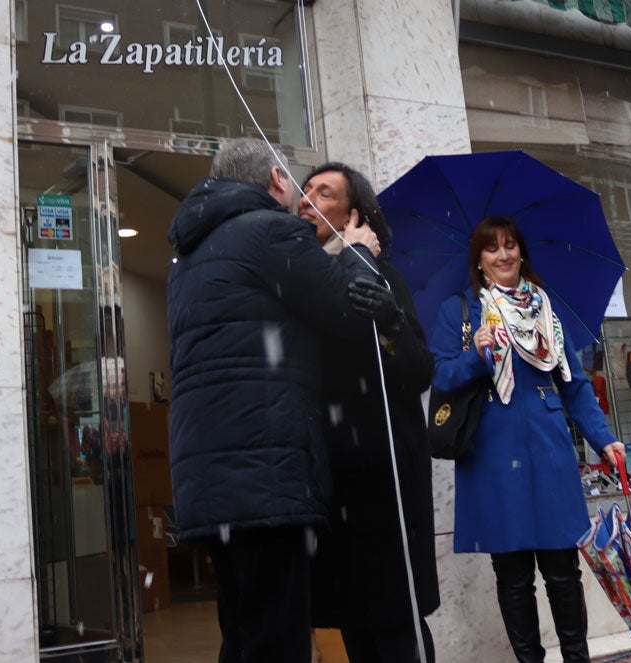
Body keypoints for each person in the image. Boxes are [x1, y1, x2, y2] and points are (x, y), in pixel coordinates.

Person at [166, 138, 384, 663]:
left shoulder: (190, 253)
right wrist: (358, 253)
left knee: (241, 633)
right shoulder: (270, 229)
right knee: (278, 639)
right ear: (276, 181)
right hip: (266, 470)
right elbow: (349, 311)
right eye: (297, 183)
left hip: (214, 477)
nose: (302, 197)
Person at [428, 215, 626, 663]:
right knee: (513, 574)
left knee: (563, 569)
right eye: (492, 248)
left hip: (549, 447)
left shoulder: (545, 309)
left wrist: (604, 440)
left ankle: (577, 657)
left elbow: (574, 385)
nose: (504, 255)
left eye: (511, 245)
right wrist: (475, 355)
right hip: (492, 454)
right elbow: (441, 375)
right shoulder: (459, 310)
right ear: (478, 260)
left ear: (521, 251)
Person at [298, 162, 440, 662]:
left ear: (353, 213)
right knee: (357, 626)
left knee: (396, 626)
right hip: (334, 483)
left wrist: (392, 321)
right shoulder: (305, 280)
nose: (307, 198)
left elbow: (420, 371)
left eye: (324, 193)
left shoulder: (385, 277)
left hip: (385, 484)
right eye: (306, 189)